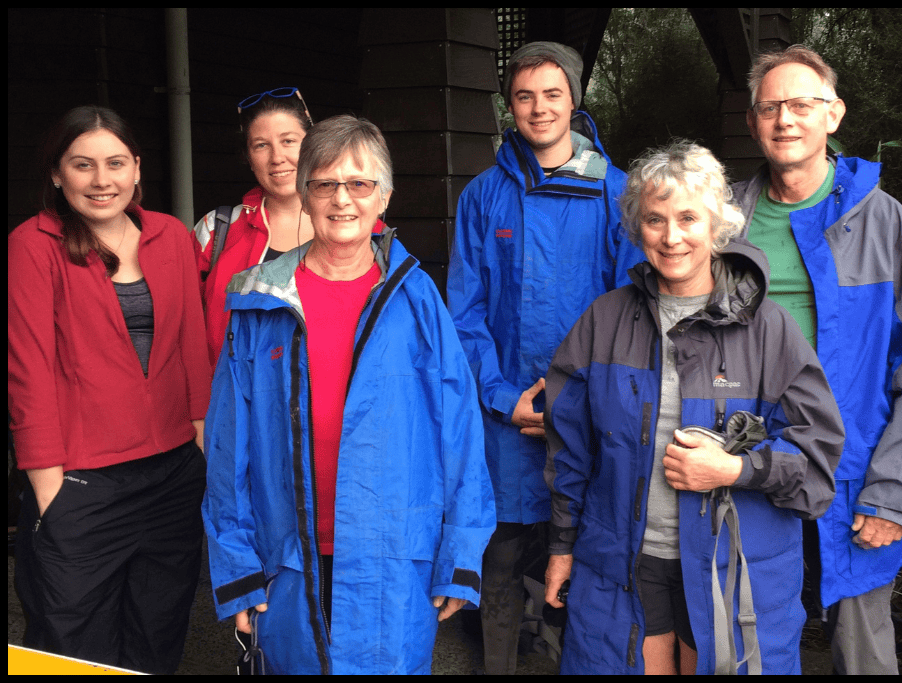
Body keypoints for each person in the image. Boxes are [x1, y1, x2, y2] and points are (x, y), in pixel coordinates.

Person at [202, 115, 497, 674]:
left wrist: (460, 555)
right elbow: (226, 447)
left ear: (383, 196)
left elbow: (459, 433)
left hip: (395, 558)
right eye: (325, 183)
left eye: (359, 184)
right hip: (286, 560)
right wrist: (236, 565)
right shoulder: (258, 301)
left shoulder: (416, 298)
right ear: (305, 194)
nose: (342, 199)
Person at [542, 140, 845, 674]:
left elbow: (817, 455)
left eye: (688, 217)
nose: (672, 236)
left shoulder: (768, 328)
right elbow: (570, 451)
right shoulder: (604, 321)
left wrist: (735, 467)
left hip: (734, 562)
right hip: (627, 561)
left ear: (716, 224)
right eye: (655, 220)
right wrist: (562, 547)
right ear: (638, 229)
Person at [736, 45, 902, 674]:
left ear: (833, 115)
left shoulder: (889, 226)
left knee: (860, 649)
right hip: (747, 464)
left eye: (803, 104)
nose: (786, 118)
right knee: (744, 639)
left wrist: (893, 496)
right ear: (754, 121)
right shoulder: (723, 222)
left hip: (855, 470)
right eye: (772, 106)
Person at [446, 41, 645, 674]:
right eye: (525, 96)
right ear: (510, 106)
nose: (539, 108)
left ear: (574, 100)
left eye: (552, 94)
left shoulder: (617, 194)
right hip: (505, 416)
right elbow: (464, 312)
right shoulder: (482, 196)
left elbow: (630, 314)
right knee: (500, 558)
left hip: (587, 416)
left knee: (585, 557)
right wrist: (506, 398)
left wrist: (574, 403)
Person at [8, 106, 210, 674]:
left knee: (158, 635)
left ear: (136, 168)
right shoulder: (32, 245)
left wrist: (199, 446)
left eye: (115, 163)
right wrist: (51, 491)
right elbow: (28, 371)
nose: (102, 181)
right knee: (70, 650)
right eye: (83, 165)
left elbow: (192, 347)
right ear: (56, 174)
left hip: (171, 477)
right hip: (81, 482)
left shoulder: (170, 235)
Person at [191, 87, 382, 367]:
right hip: (234, 400)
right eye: (261, 145)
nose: (277, 157)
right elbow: (183, 329)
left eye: (288, 140)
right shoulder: (216, 230)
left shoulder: (358, 226)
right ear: (248, 156)